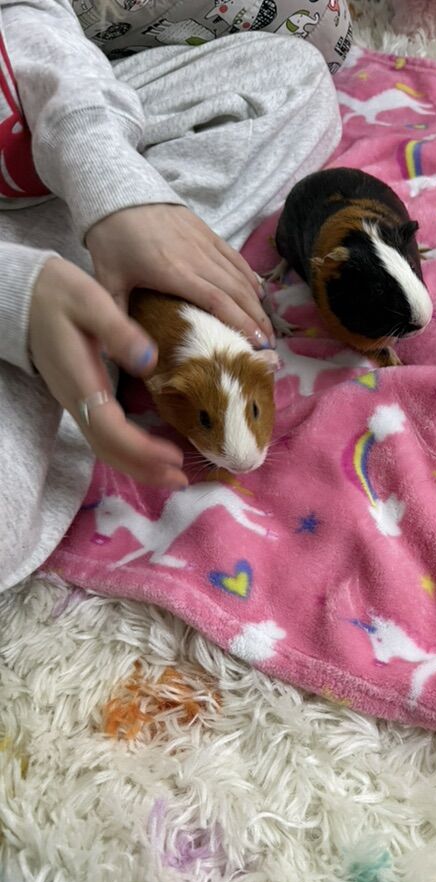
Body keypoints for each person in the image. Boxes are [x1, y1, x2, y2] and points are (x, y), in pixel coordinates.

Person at [0, 0, 344, 593]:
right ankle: (112, 294)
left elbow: (25, 11)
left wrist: (108, 180)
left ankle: (135, 252)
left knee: (295, 74)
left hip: (33, 131)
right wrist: (18, 297)